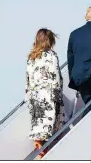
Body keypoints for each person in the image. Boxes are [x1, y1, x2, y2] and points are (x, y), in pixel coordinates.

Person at [25, 28, 65, 159]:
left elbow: (28, 80)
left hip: (35, 97)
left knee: (40, 129)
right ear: (49, 41)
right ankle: (44, 153)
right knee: (53, 128)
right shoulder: (51, 56)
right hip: (49, 96)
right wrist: (59, 93)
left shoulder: (31, 57)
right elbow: (56, 78)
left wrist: (28, 97)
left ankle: (41, 150)